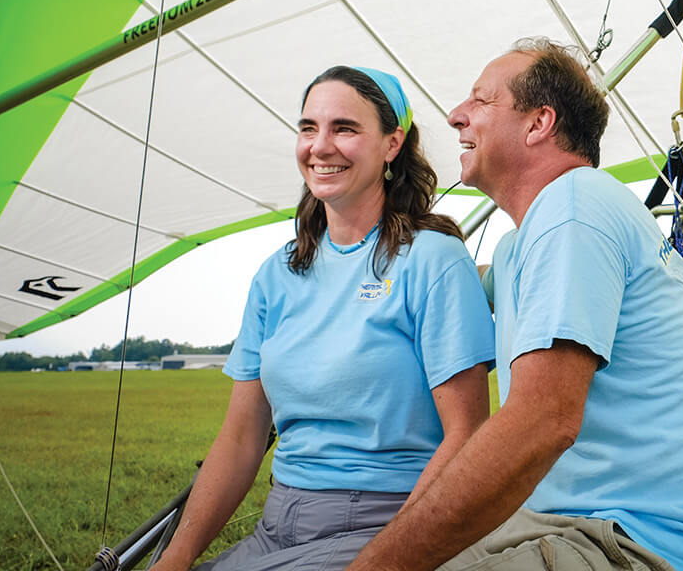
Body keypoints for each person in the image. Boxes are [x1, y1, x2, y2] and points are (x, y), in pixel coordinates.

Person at [346, 39, 683, 571]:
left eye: (481, 101)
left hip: (646, 544)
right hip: (572, 522)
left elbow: (543, 421)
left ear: (538, 124)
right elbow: (447, 288)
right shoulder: (523, 244)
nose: (454, 116)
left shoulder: (574, 207)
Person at [150, 66, 495, 571]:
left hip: (387, 521)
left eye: (345, 129)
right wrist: (173, 560)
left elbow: (466, 434)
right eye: (309, 128)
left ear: (391, 144)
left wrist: (392, 552)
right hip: (277, 525)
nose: (321, 146)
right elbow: (241, 438)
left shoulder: (433, 260)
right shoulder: (277, 275)